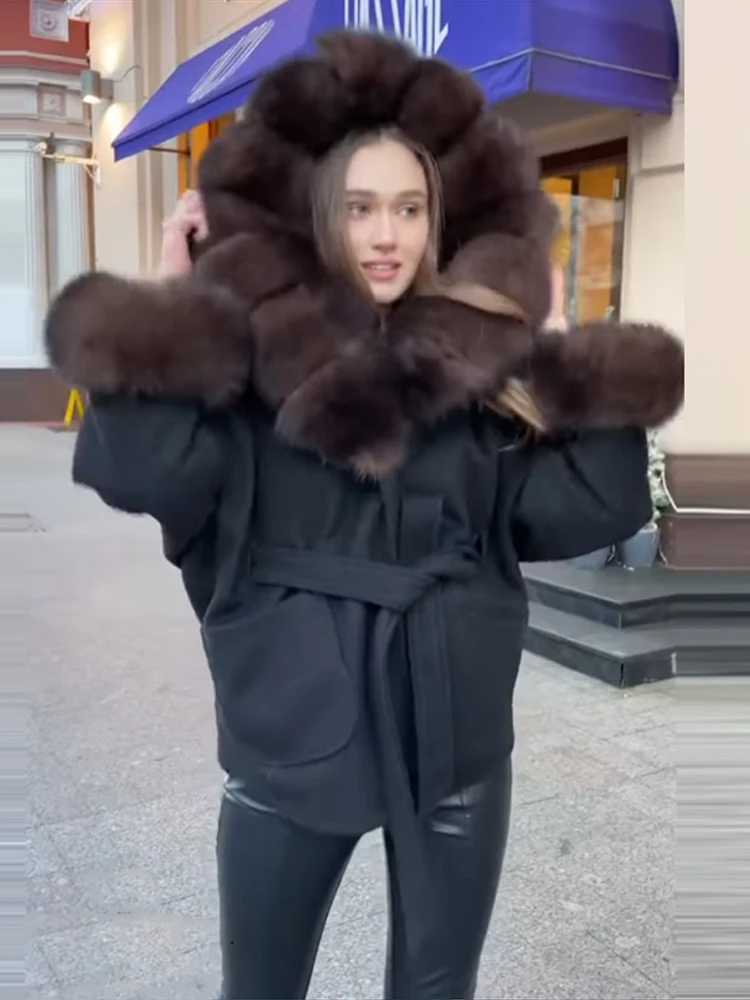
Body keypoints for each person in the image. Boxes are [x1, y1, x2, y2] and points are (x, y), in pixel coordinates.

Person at [44, 30, 683, 1000]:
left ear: (436, 222)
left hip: (457, 737)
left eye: (410, 208)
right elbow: (142, 470)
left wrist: (555, 340)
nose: (388, 234)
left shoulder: (476, 371)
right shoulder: (250, 365)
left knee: (436, 989)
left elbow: (587, 506)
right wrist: (174, 305)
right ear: (322, 213)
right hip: (293, 727)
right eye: (361, 207)